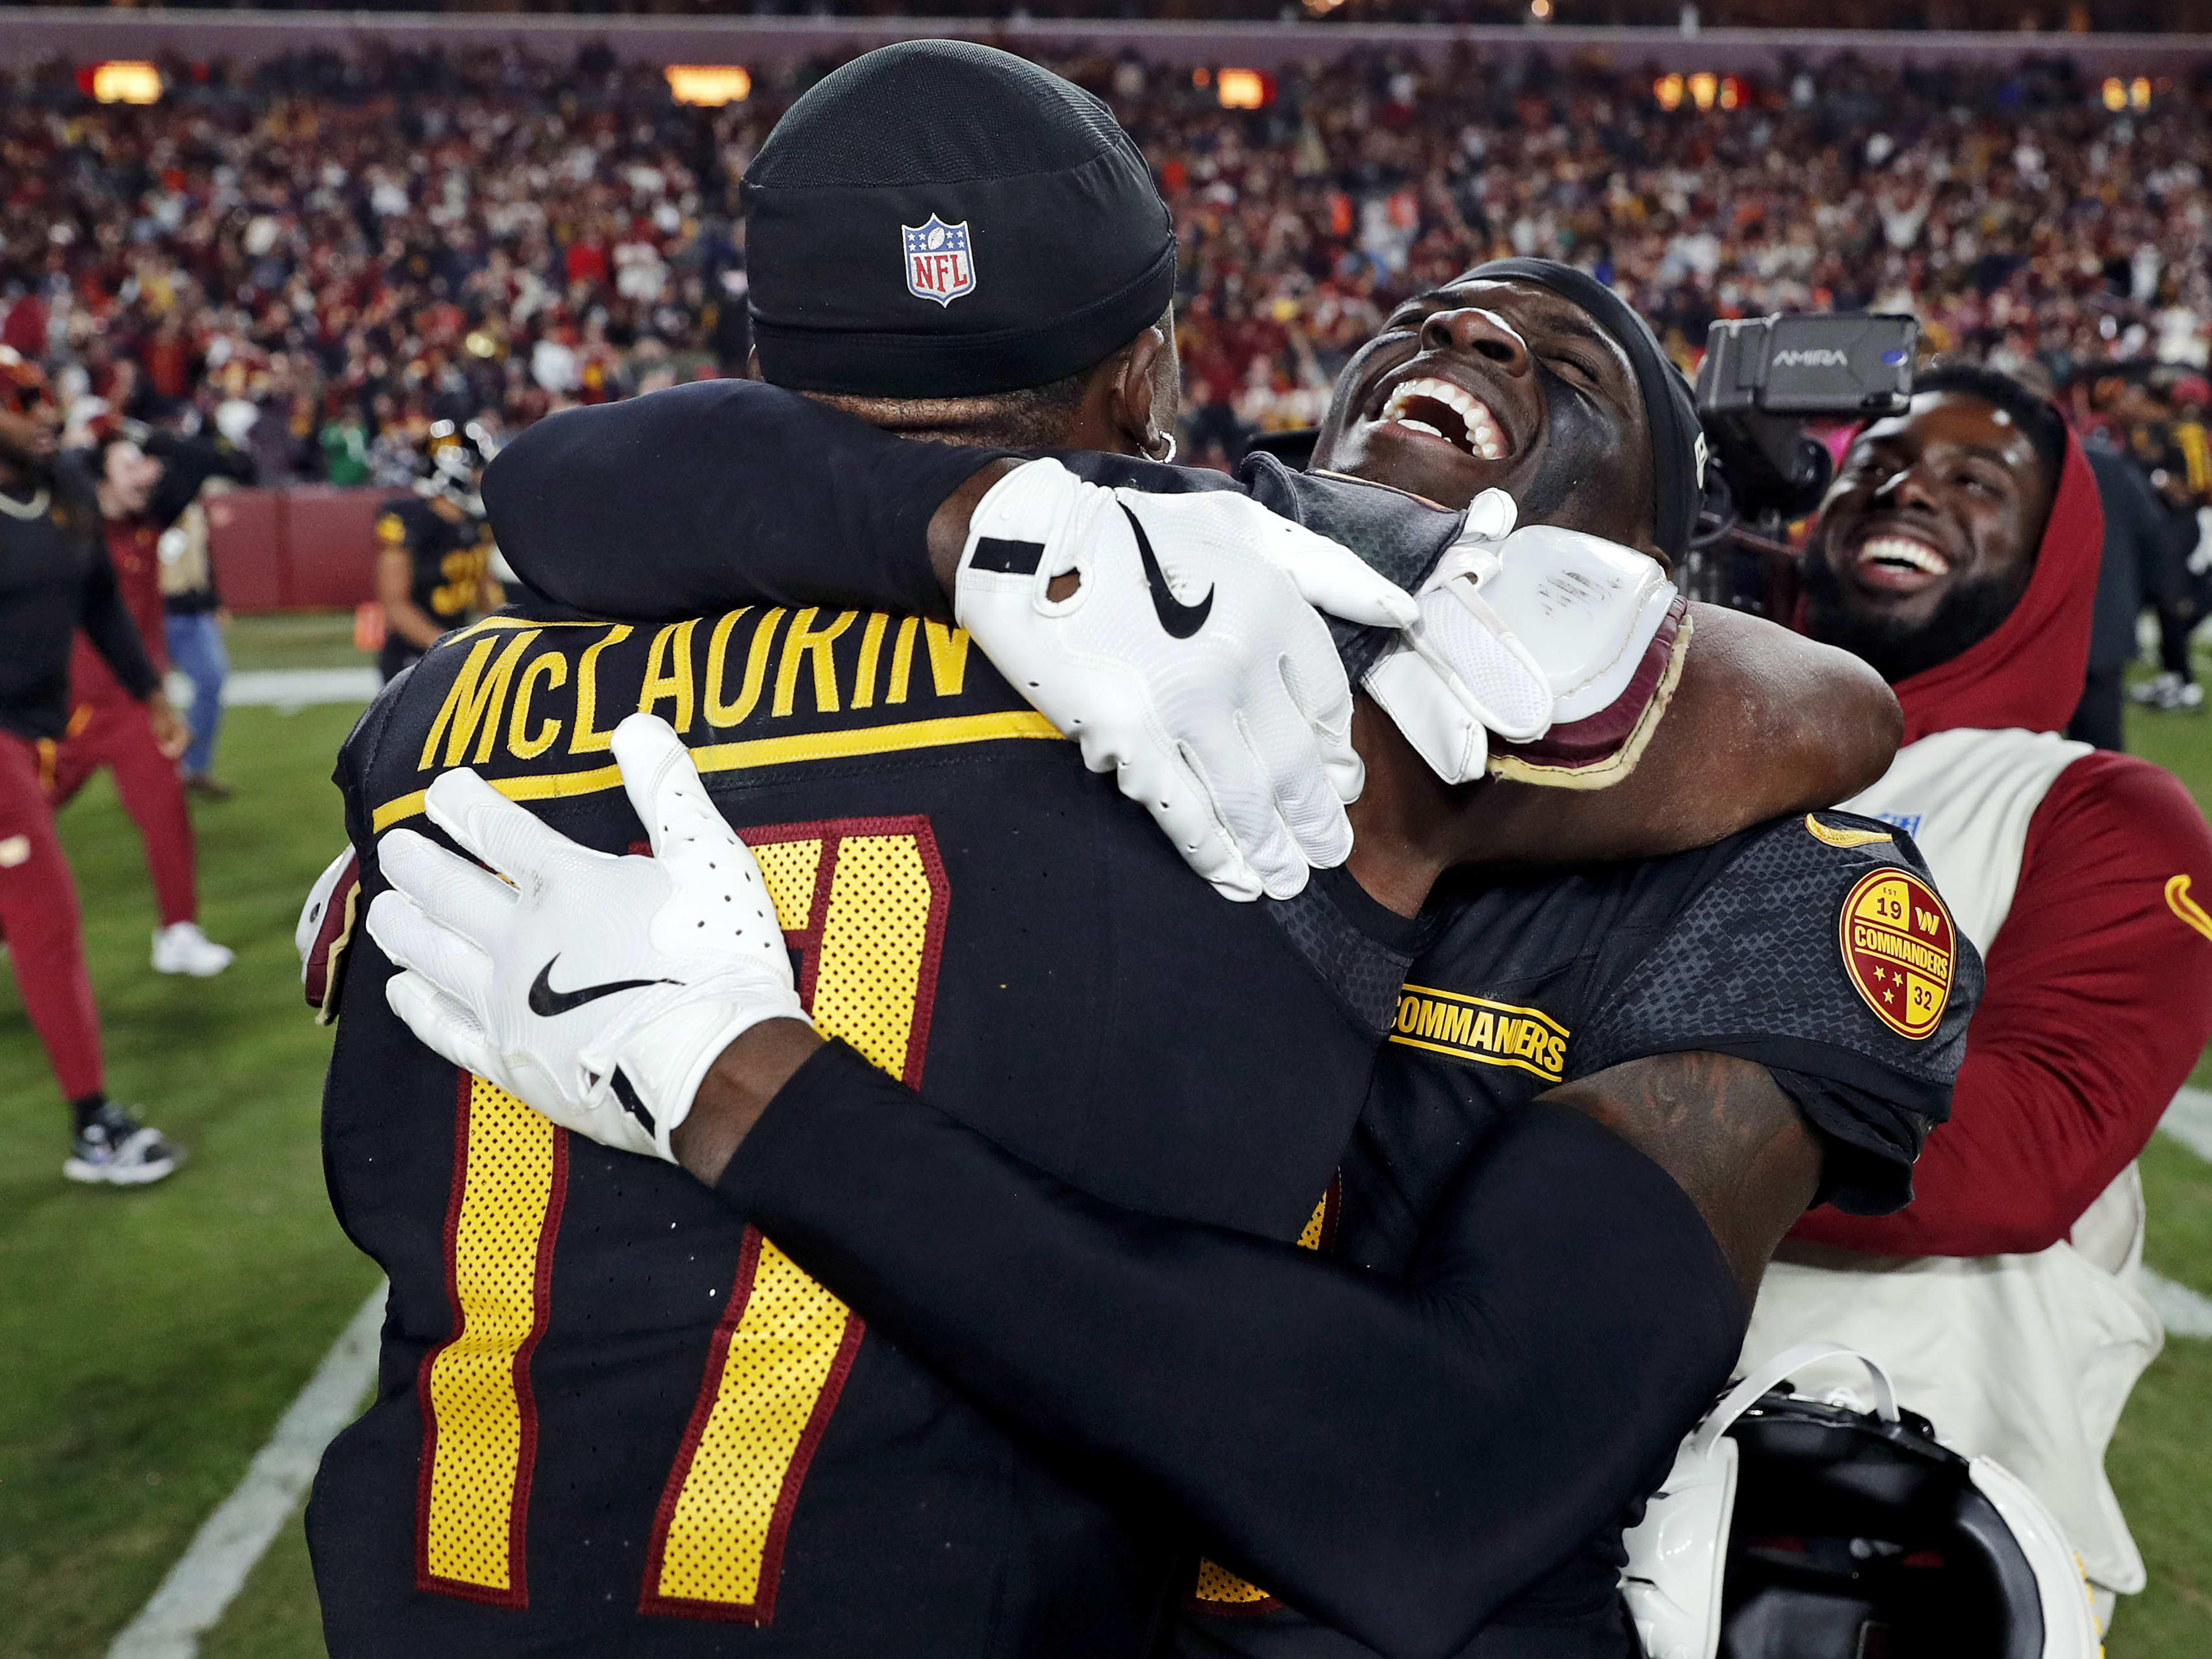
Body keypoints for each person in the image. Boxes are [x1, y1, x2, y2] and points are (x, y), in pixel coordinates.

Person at [351, 44, 1967, 1659]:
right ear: (1156, 394)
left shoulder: (1775, 877)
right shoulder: (1153, 623)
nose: (1469, 336)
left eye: (1571, 364)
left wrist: (743, 1078)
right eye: (1423, 319)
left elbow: (1461, 1464)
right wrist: (977, 522)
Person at [1753, 362, 2212, 1630]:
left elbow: (2016, 1154)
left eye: (1977, 481)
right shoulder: (1698, 741)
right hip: (1582, 1441)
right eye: (1880, 463)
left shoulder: (2097, 809)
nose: (1911, 490)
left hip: (1890, 1528)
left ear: (2052, 559)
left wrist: (1604, 1125)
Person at [0, 348, 186, 1184]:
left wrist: (149, 693)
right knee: (46, 915)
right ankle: (93, 1128)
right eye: (22, 400)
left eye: (45, 394)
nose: (45, 411)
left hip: (39, 729)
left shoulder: (67, 484)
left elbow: (102, 601)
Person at [52, 424, 236, 976]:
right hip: (67, 708)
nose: (146, 474)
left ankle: (179, 931)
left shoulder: (148, 522)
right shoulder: (66, 530)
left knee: (167, 813)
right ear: (100, 480)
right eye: (130, 465)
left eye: (144, 463)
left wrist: (146, 445)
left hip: (136, 704)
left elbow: (199, 458)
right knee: (19, 818)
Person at [373, 419, 501, 684]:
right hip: (413, 658)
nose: (481, 478)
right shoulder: (413, 520)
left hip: (456, 651)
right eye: (477, 469)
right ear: (452, 470)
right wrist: (447, 647)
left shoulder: (475, 525)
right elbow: (395, 606)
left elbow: (486, 591)